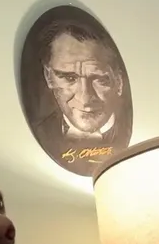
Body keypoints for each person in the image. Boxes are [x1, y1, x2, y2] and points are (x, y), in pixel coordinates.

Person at [28, 18, 132, 177]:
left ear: (119, 82)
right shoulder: (40, 133)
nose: (85, 97)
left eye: (99, 79)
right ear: (48, 77)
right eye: (69, 78)